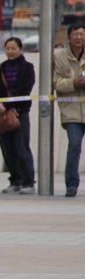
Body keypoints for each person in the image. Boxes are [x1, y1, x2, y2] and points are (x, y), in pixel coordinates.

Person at [0, 37, 36, 194]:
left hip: (19, 113)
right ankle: (15, 180)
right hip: (2, 115)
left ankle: (28, 182)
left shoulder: (28, 68)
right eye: (7, 48)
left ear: (20, 49)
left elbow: (25, 89)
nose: (10, 51)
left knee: (21, 148)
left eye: (13, 48)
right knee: (7, 149)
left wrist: (6, 104)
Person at [54, 22, 85, 197]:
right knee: (74, 145)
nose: (79, 38)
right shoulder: (59, 58)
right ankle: (71, 184)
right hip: (71, 112)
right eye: (76, 34)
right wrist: (73, 82)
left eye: (82, 34)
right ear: (69, 37)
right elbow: (56, 83)